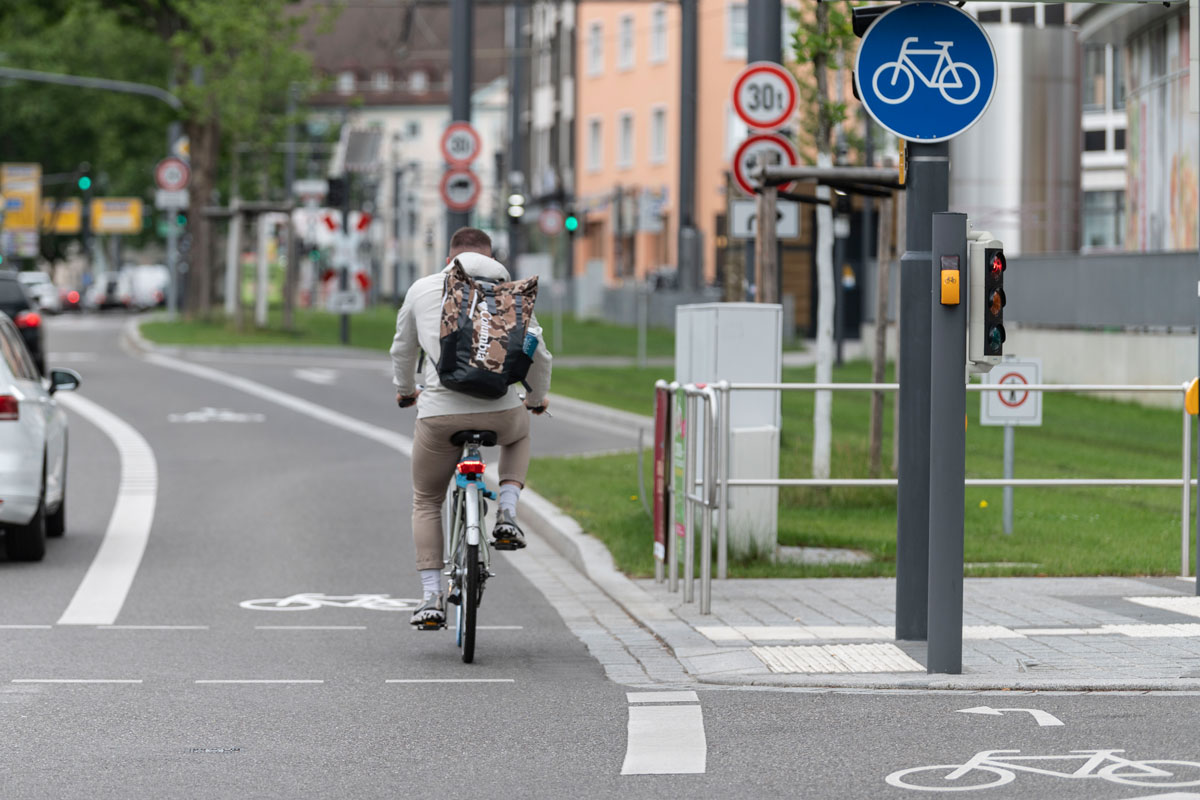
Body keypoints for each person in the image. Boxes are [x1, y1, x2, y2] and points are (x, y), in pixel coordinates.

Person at [391, 227, 552, 628]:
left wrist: (406, 390)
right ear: (493, 257)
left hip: (439, 415)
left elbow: (402, 349)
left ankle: (431, 596)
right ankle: (507, 513)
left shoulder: (424, 289)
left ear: (450, 259)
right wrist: (535, 400)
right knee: (519, 433)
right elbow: (540, 357)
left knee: (427, 499)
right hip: (499, 412)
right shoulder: (512, 294)